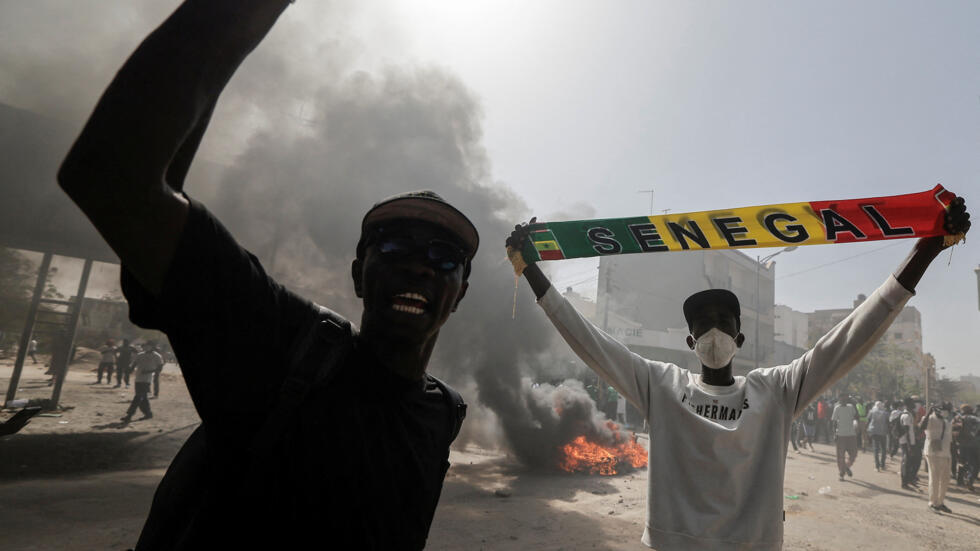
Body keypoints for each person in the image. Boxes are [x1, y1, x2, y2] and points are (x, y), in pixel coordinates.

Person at [57, 2, 478, 548]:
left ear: (460, 293)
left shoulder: (442, 413)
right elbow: (114, 174)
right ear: (358, 272)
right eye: (394, 244)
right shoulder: (282, 347)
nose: (420, 264)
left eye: (444, 256)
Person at [507, 197, 969, 550]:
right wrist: (532, 273)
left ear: (740, 338)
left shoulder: (778, 389)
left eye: (722, 321)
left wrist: (928, 247)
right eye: (701, 323)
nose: (712, 329)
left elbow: (852, 334)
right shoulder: (659, 384)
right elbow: (589, 340)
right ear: (689, 342)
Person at [921, 403, 954, 513]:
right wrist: (928, 413)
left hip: (946, 454)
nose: (947, 412)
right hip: (933, 453)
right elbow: (921, 427)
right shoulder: (930, 419)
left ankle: (940, 502)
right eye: (946, 410)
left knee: (945, 479)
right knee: (934, 478)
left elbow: (949, 439)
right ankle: (932, 502)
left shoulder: (946, 422)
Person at [121, 341, 163, 423]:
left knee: (138, 397)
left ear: (152, 347)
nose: (146, 347)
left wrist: (149, 371)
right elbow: (133, 365)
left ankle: (129, 415)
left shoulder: (157, 356)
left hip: (147, 379)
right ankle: (148, 414)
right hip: (138, 379)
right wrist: (128, 370)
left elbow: (159, 368)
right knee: (143, 398)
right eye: (145, 346)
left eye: (148, 346)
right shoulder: (140, 355)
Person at [832, 396, 859, 480]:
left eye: (845, 399)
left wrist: (855, 405)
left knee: (854, 454)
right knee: (840, 456)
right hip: (840, 434)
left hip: (851, 434)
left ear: (847, 400)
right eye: (842, 399)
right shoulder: (837, 408)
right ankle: (841, 474)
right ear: (840, 400)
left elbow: (856, 416)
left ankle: (846, 467)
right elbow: (834, 422)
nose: (843, 401)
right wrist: (834, 433)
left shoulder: (851, 407)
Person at [900, 397, 920, 489]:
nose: (914, 405)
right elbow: (907, 431)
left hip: (909, 441)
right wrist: (909, 446)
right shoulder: (906, 416)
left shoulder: (909, 414)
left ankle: (908, 480)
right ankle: (904, 483)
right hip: (906, 442)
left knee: (909, 461)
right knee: (906, 462)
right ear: (908, 405)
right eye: (912, 403)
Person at [867, 400, 890, 471]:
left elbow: (868, 420)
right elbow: (888, 422)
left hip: (874, 432)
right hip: (883, 432)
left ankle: (877, 466)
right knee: (883, 449)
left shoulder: (871, 412)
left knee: (876, 449)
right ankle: (882, 465)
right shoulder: (886, 413)